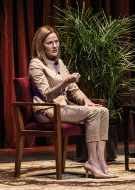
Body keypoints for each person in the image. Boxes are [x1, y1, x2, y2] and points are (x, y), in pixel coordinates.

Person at [28, 26, 113, 178]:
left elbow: (74, 89)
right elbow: (46, 96)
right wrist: (64, 83)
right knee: (94, 114)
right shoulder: (35, 64)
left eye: (56, 41)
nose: (55, 46)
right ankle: (92, 161)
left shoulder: (59, 63)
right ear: (41, 45)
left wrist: (87, 101)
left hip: (63, 107)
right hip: (47, 110)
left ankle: (100, 160)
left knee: (102, 111)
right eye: (49, 43)